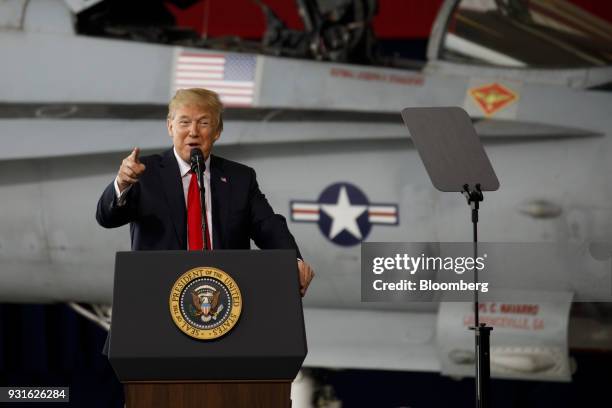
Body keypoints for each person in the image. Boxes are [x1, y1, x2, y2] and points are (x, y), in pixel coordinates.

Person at [96, 88, 314, 296]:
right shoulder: (145, 173)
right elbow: (106, 218)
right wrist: (122, 184)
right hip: (157, 297)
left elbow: (269, 227)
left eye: (203, 123)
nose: (193, 131)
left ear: (217, 131)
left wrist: (292, 263)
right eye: (184, 122)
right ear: (170, 127)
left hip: (224, 302)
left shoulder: (240, 178)